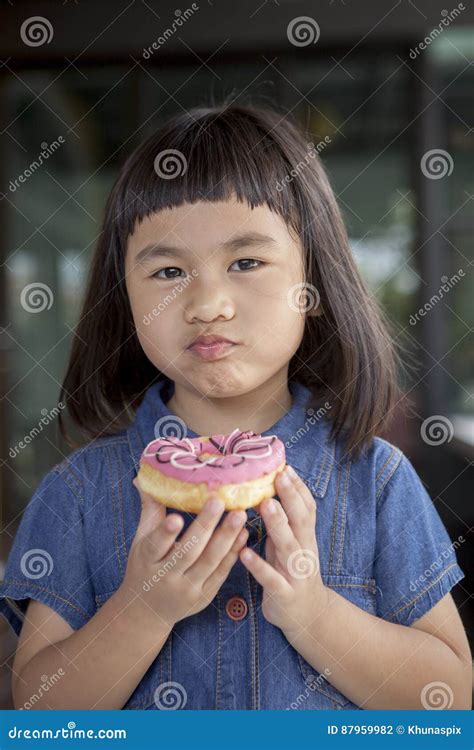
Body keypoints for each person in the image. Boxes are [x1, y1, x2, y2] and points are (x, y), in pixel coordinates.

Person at [0, 103, 471, 711]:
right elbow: (37, 712)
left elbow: (447, 697)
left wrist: (314, 614)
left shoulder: (376, 480)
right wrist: (142, 609)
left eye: (246, 262)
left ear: (316, 287)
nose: (208, 304)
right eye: (168, 270)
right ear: (124, 301)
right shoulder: (80, 492)